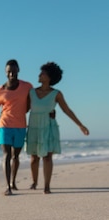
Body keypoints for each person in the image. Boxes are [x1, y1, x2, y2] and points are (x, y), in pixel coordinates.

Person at [26, 62, 89, 194]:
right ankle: (34, 182)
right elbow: (23, 109)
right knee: (34, 157)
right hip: (34, 126)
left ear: (49, 77)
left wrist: (80, 125)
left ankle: (47, 186)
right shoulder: (31, 92)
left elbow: (67, 110)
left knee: (48, 157)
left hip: (48, 127)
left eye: (42, 73)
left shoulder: (56, 94)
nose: (39, 75)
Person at [0, 59, 33, 195]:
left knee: (15, 156)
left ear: (18, 70)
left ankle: (13, 181)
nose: (11, 74)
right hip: (4, 125)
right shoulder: (0, 91)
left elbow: (33, 101)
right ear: (5, 73)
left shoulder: (27, 86)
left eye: (14, 71)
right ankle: (8, 186)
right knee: (6, 154)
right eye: (9, 72)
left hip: (21, 125)